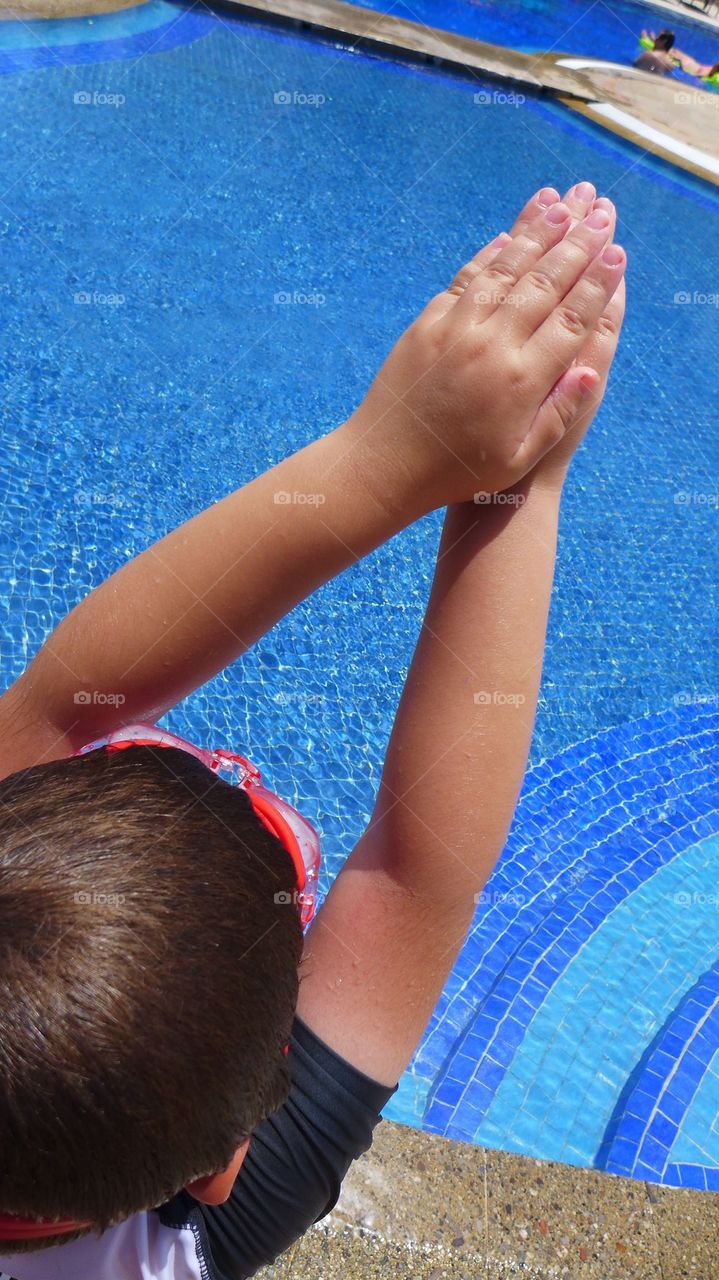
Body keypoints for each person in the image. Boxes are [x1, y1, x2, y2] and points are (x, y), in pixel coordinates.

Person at [0, 180, 625, 1280]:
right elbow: (412, 879)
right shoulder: (190, 1248)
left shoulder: (192, 1230)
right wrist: (513, 472)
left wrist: (385, 455)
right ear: (221, 1164)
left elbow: (412, 876)